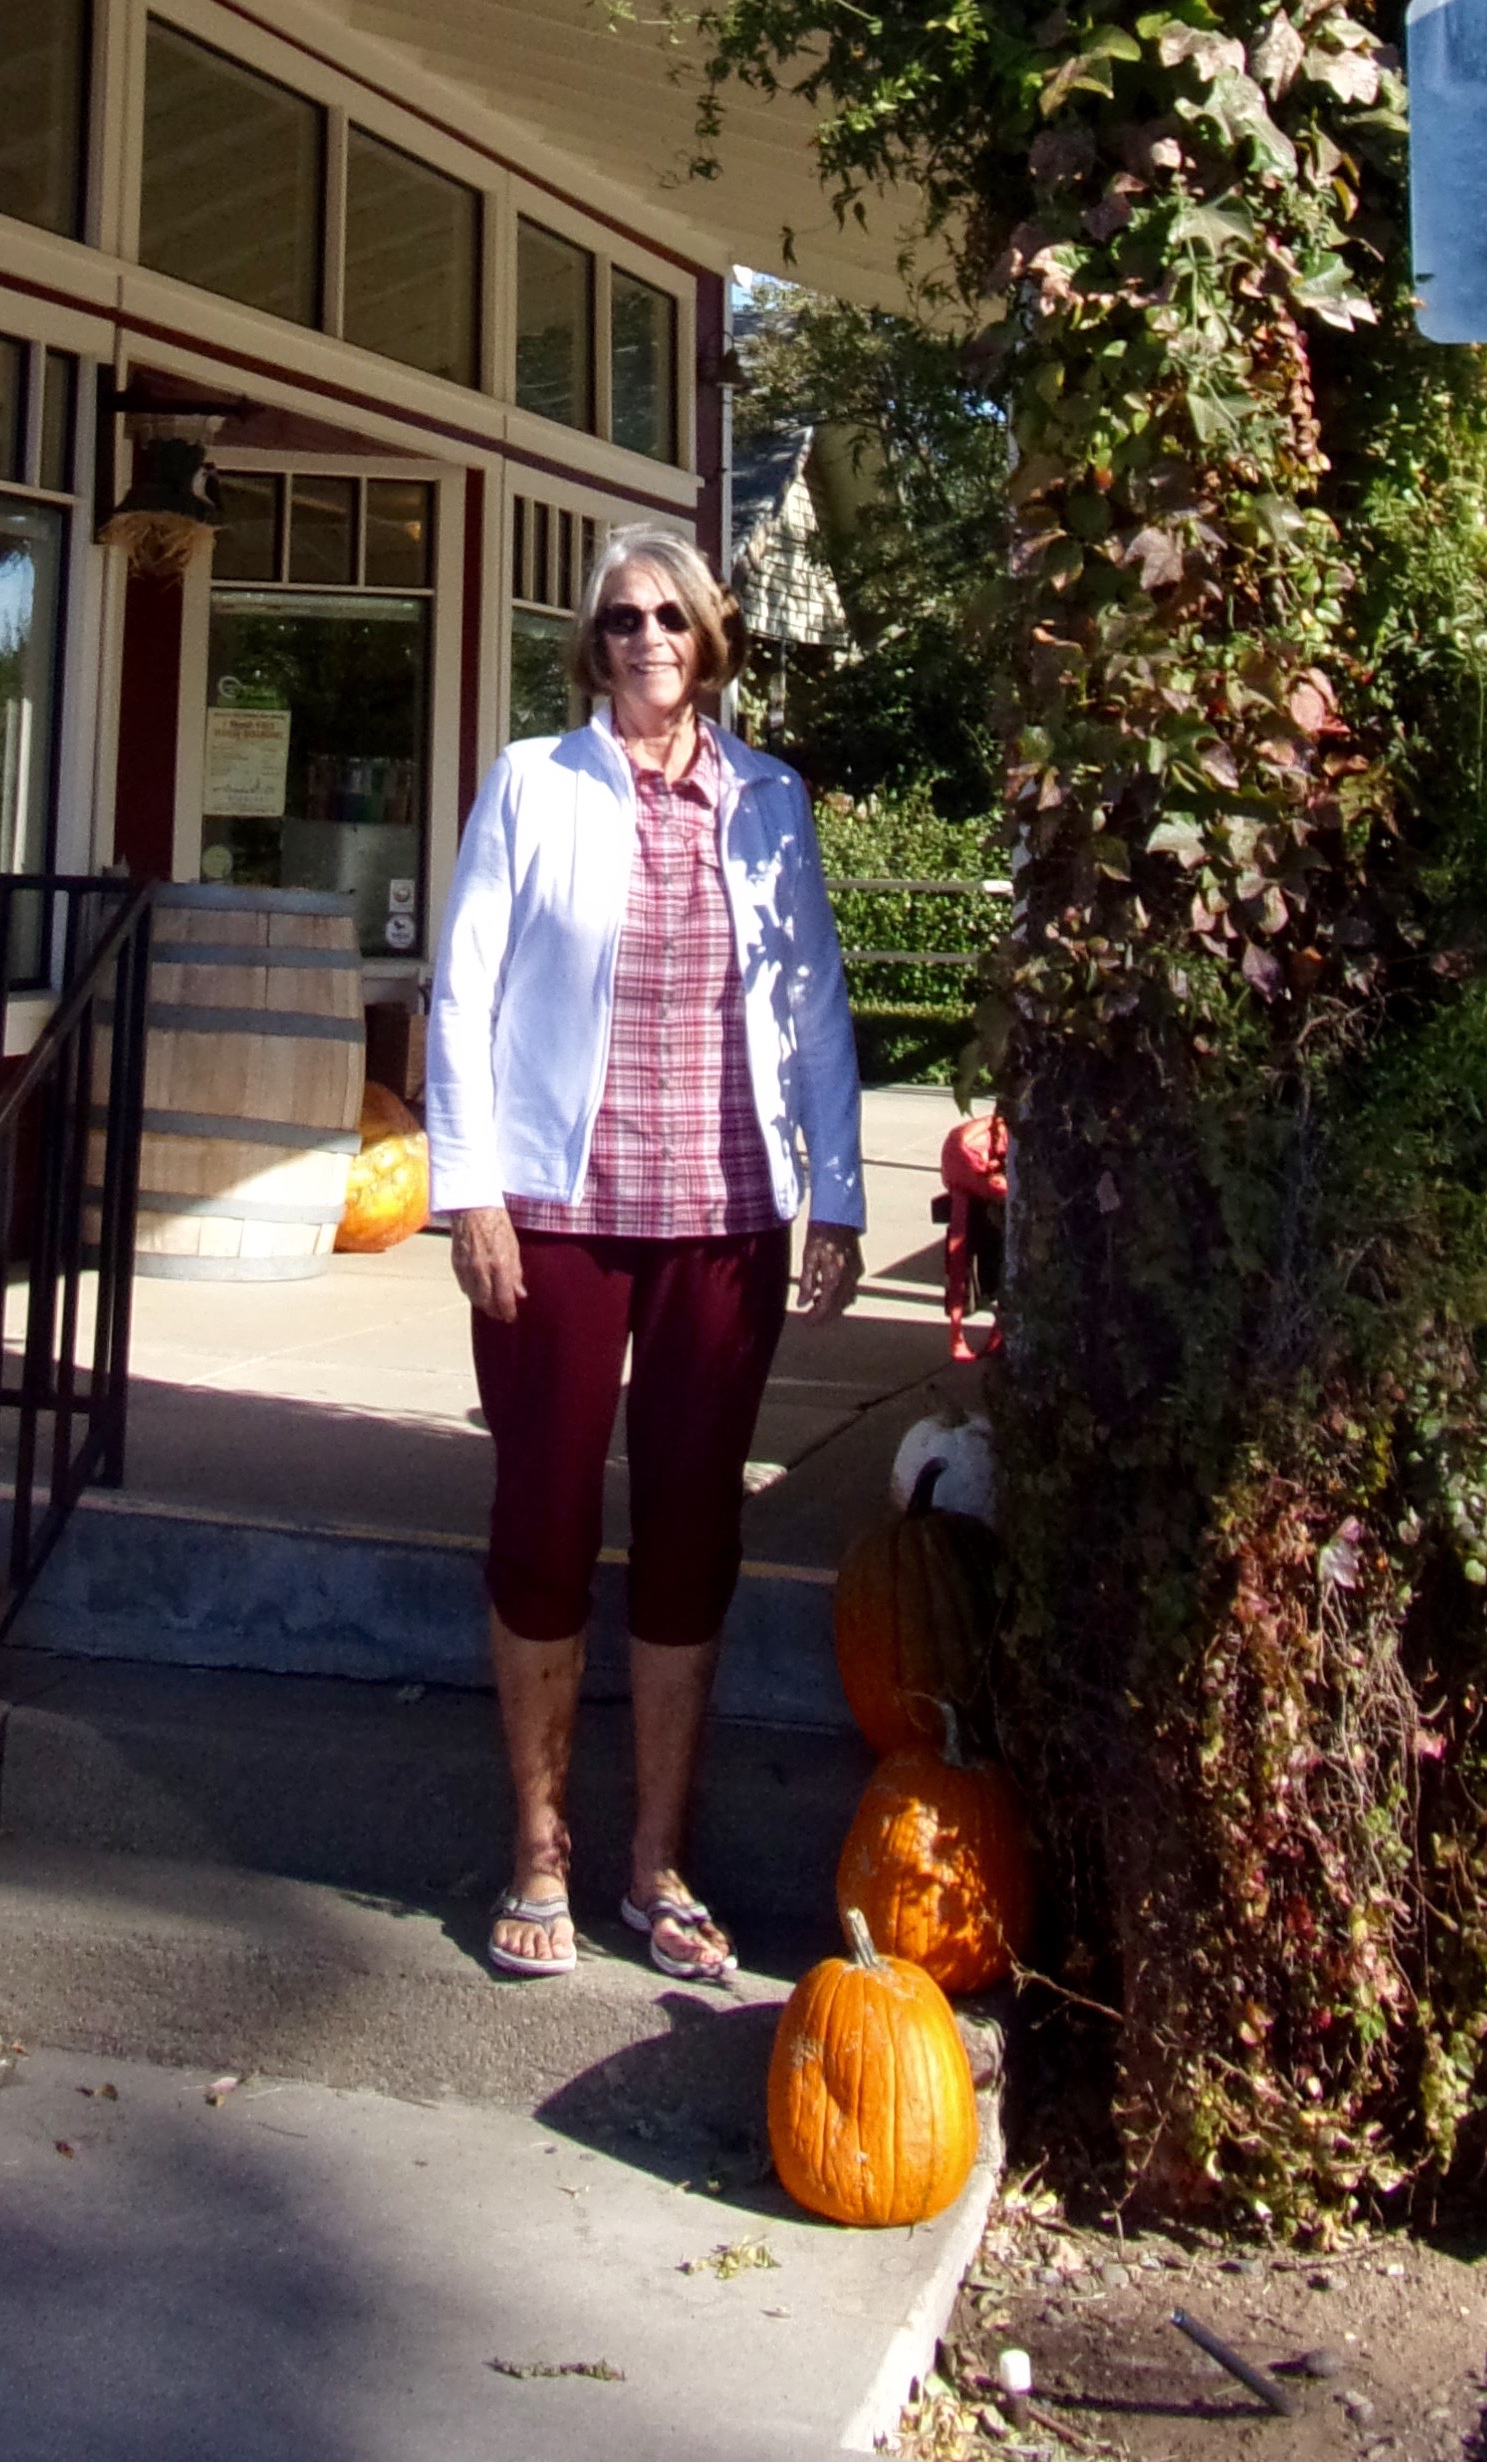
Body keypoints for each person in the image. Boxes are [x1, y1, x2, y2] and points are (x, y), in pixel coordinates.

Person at [426, 519, 864, 1983]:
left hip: (725, 1219)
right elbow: (464, 986)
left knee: (692, 1531)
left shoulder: (768, 799)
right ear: (592, 642)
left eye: (672, 617)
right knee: (542, 1516)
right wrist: (469, 1190)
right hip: (557, 1212)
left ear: (710, 638)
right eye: (623, 619)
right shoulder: (532, 782)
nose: (648, 641)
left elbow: (813, 1003)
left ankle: (657, 1863)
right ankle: (539, 1849)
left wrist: (836, 1194)